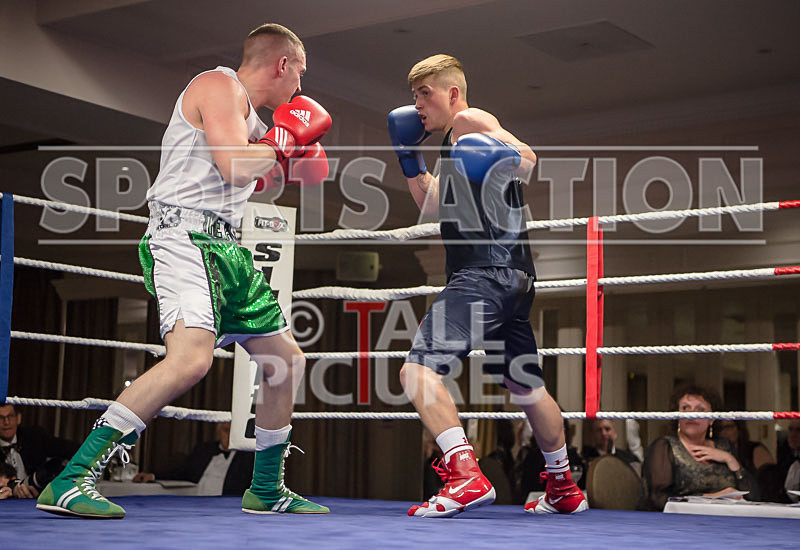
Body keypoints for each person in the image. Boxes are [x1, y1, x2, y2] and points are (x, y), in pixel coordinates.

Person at [37, 23, 332, 519]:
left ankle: (265, 488)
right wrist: (284, 139)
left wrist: (298, 147)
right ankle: (72, 478)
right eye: (299, 73)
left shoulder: (252, 122)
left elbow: (292, 176)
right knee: (191, 360)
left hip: (227, 247)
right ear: (283, 64)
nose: (300, 86)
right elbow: (235, 168)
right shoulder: (217, 86)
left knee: (286, 362)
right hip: (184, 235)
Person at [387, 54, 587, 517]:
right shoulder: (452, 144)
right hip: (514, 278)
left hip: (484, 273)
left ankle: (464, 476)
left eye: (425, 94)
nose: (417, 106)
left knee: (417, 371)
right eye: (414, 96)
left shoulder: (469, 120)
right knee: (526, 385)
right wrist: (409, 157)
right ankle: (562, 486)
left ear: (453, 93)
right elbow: (431, 205)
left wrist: (501, 155)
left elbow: (528, 160)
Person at [641, 385, 753, 510]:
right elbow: (658, 499)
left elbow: (753, 497)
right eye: (685, 408)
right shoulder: (664, 447)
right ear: (677, 416)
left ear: (712, 419)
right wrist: (712, 497)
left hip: (727, 517)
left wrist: (729, 459)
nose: (692, 414)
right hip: (680, 519)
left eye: (700, 409)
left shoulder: (724, 446)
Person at [133, 422, 253, 496]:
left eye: (233, 431)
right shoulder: (204, 450)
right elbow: (184, 472)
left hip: (227, 506)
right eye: (226, 430)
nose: (230, 435)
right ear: (218, 432)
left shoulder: (247, 456)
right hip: (196, 502)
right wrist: (153, 476)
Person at [0, 403, 78, 499]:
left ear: (18, 418)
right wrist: (13, 487)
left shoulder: (35, 436)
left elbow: (70, 449)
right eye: (1, 417)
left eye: (10, 416)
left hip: (38, 498)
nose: (6, 422)